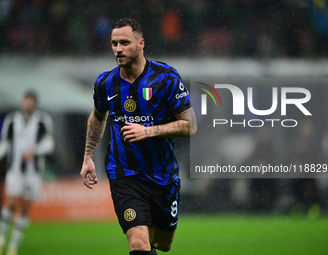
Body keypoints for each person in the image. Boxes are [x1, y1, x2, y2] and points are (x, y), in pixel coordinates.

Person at [80, 17, 197, 255]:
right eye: (114, 43)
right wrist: (88, 157)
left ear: (141, 43)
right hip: (124, 174)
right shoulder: (105, 83)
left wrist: (148, 131)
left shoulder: (166, 78)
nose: (118, 49)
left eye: (124, 42)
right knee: (137, 244)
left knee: (163, 244)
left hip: (163, 176)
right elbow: (97, 116)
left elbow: (190, 125)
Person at [0, 91, 55, 255]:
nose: (27, 104)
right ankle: (2, 238)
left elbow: (50, 143)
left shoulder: (43, 119)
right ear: (22, 102)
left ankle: (13, 246)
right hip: (14, 169)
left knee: (24, 208)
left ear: (35, 104)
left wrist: (35, 151)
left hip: (33, 171)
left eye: (31, 102)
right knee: (9, 203)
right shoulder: (12, 119)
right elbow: (4, 143)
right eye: (26, 101)